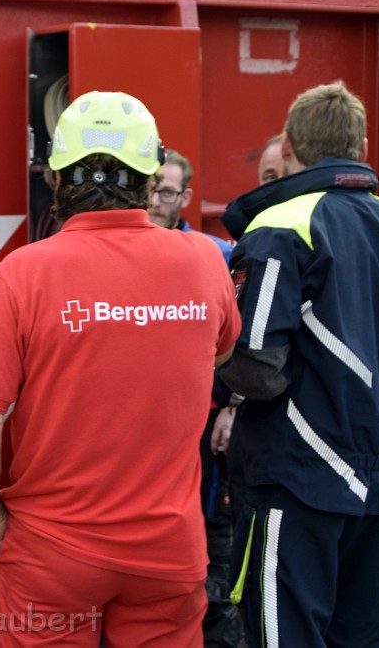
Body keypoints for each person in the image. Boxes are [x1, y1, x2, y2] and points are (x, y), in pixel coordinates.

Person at [0, 91, 241, 647]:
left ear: (57, 177)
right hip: (169, 549)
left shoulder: (24, 273)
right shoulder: (205, 260)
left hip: (52, 550)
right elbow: (223, 352)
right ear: (148, 176)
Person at [218, 81, 379, 648]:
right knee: (361, 636)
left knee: (282, 634)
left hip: (296, 477)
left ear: (289, 145)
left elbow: (255, 365)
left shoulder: (278, 227)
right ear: (362, 146)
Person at [149, 149, 241, 648]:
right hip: (144, 426)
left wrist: (233, 404)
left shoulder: (216, 254)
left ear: (185, 197)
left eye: (167, 191)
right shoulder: (123, 252)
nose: (156, 200)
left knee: (206, 539)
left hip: (203, 426)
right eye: (150, 188)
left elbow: (246, 343)